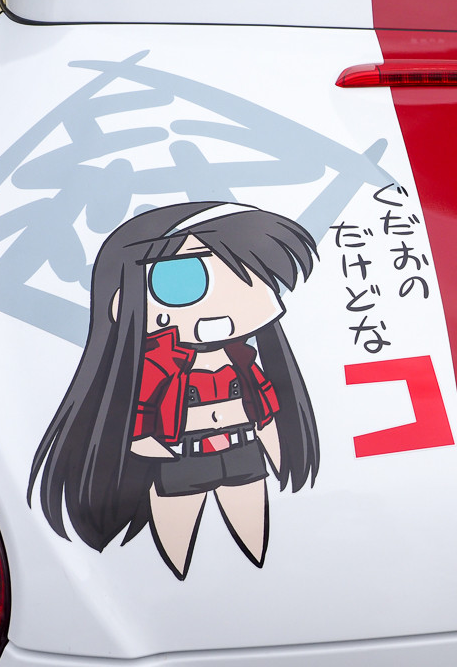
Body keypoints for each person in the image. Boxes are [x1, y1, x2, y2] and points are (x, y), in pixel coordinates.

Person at [29, 201, 320, 579]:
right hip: (180, 459)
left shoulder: (242, 358)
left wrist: (278, 450)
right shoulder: (160, 362)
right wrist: (144, 444)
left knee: (254, 538)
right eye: (181, 280)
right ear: (121, 300)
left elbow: (263, 405)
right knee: (177, 540)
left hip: (242, 451)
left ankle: (260, 582)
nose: (228, 299)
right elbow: (138, 409)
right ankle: (180, 585)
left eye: (252, 276)